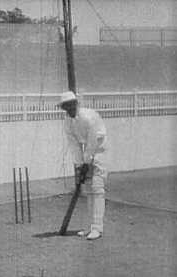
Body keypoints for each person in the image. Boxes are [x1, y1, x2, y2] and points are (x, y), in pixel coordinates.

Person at [59, 91, 108, 240]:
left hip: (100, 149)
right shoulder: (68, 122)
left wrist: (88, 162)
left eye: (72, 105)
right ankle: (90, 227)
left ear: (76, 104)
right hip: (86, 150)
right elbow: (74, 145)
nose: (70, 109)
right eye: (66, 107)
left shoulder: (88, 117)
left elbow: (93, 140)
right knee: (88, 189)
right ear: (64, 108)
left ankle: (97, 228)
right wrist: (80, 165)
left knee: (97, 189)